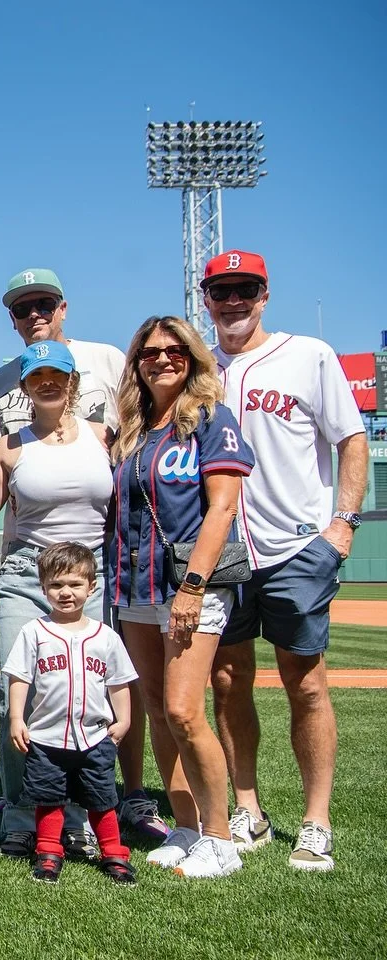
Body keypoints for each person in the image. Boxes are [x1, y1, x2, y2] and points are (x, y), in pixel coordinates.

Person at [0, 268, 161, 847]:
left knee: (91, 696)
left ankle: (84, 811)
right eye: (38, 377)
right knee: (15, 694)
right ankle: (22, 816)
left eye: (58, 375)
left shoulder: (106, 436)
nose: (48, 382)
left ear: (75, 382)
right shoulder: (8, 443)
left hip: (94, 575)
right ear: (25, 386)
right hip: (28, 573)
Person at [205, 250, 365, 872]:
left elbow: (351, 437)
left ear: (264, 294)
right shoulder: (196, 365)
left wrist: (341, 526)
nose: (234, 300)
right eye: (223, 289)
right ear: (207, 294)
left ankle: (315, 820)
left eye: (245, 288)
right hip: (223, 549)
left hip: (296, 543)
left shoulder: (309, 355)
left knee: (307, 682)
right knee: (227, 679)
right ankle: (248, 807)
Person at [107, 315, 255, 879]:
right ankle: (187, 826)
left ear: (193, 358)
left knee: (184, 710)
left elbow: (222, 507)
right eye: (149, 352)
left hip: (189, 587)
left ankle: (221, 838)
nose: (162, 359)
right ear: (136, 362)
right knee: (157, 712)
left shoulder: (211, 421)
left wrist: (193, 586)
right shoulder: (131, 428)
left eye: (174, 351)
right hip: (133, 585)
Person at [4, 542, 138, 885]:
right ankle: (49, 852)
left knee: (102, 798)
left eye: (75, 584)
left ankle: (113, 853)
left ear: (91, 587)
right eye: (57, 585)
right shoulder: (34, 631)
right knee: (48, 798)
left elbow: (119, 682)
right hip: (47, 737)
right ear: (43, 587)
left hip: (94, 737)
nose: (66, 592)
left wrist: (124, 719)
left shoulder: (105, 636)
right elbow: (19, 678)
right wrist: (17, 718)